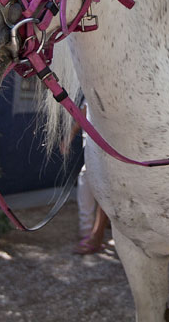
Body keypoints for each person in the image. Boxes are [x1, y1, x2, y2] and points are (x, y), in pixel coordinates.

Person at [63, 94, 109, 255]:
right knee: (85, 185)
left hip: (106, 147)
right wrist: (70, 135)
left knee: (104, 190)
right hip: (90, 148)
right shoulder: (89, 86)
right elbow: (84, 111)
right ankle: (87, 233)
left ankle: (96, 235)